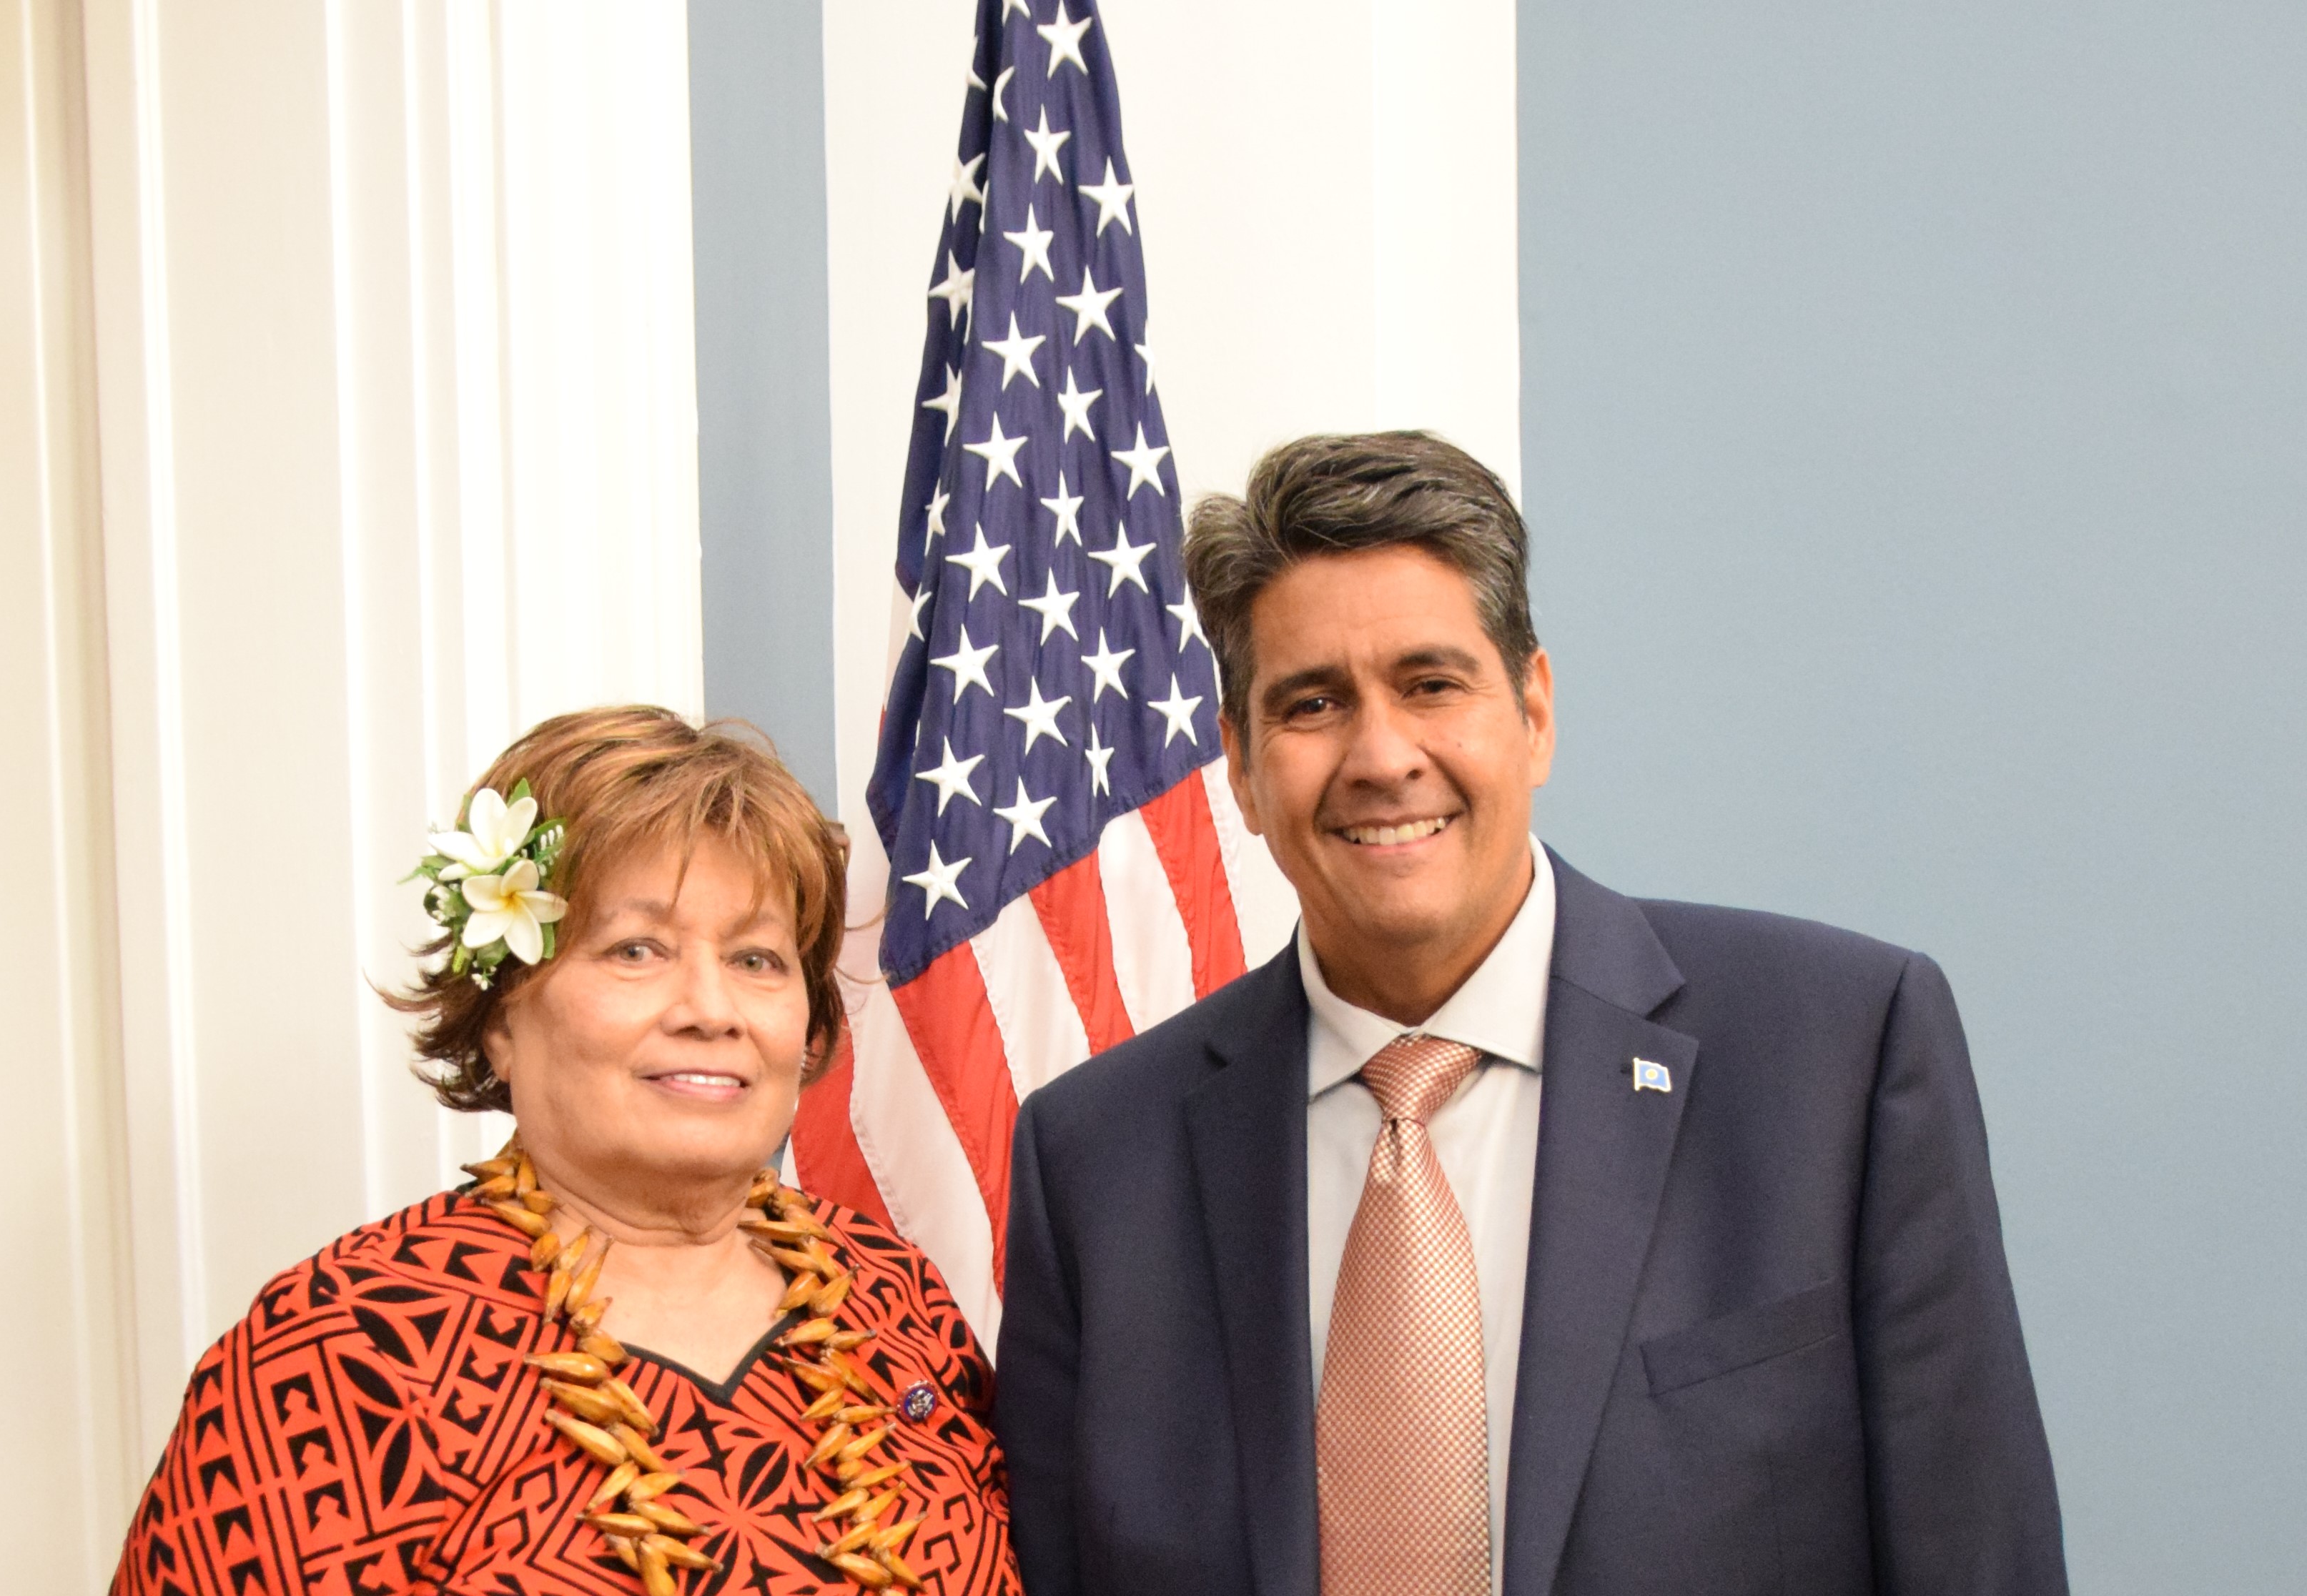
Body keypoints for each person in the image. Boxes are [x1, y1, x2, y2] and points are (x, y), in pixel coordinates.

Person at [994, 433, 2065, 1595]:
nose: (1378, 754)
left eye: (1428, 683)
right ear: (1243, 768)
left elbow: (1976, 1556)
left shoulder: (1834, 1057)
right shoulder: (1096, 1158)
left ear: (1533, 710)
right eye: (1310, 703)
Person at [114, 706, 1022, 1596]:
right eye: (636, 949)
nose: (711, 1008)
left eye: (757, 959)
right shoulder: (341, 1348)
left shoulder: (892, 1297)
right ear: (502, 1017)